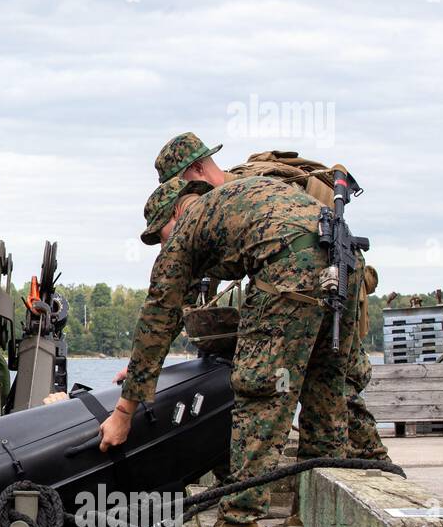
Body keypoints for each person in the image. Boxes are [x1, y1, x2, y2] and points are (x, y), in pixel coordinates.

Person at [100, 175, 362, 527]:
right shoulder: (236, 200)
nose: (163, 245)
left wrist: (124, 412)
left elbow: (159, 316)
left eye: (160, 235)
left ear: (176, 211)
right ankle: (313, 519)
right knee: (325, 393)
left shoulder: (188, 226)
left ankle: (239, 525)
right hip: (343, 257)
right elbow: (170, 317)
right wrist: (142, 371)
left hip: (287, 262)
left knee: (260, 391)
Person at [150, 132, 386, 462]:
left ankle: (373, 465)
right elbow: (191, 285)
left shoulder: (256, 188)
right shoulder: (219, 207)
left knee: (333, 384)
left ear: (198, 170)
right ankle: (347, 465)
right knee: (321, 386)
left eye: (180, 183)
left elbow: (307, 251)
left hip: (327, 288)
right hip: (302, 291)